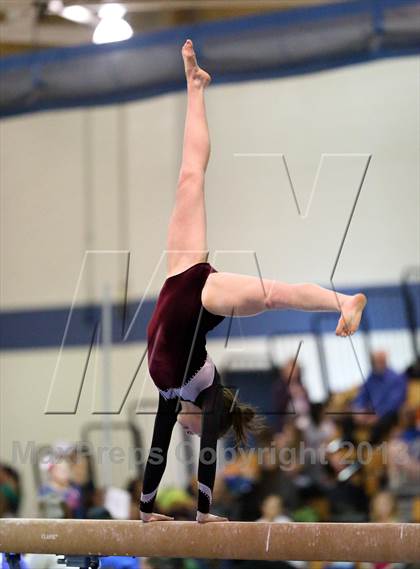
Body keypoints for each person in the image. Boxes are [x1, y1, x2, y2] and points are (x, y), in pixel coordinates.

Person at [139, 39, 367, 524]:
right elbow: (200, 449)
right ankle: (342, 300)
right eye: (199, 424)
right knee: (270, 291)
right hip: (199, 290)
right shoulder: (202, 385)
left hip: (181, 277)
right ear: (205, 410)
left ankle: (194, 86)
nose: (188, 427)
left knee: (190, 177)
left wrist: (145, 512)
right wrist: (202, 511)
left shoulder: (169, 395)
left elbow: (158, 447)